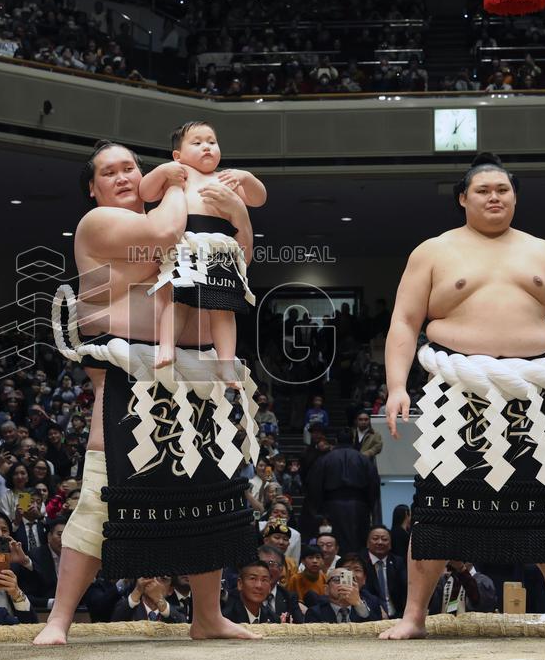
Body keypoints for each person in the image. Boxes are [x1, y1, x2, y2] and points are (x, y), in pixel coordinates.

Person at [382, 153, 545, 640]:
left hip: (535, 391)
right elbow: (404, 321)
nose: (494, 196)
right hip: (456, 389)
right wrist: (398, 385)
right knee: (438, 503)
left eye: (503, 190)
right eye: (484, 190)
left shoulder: (543, 252)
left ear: (515, 197)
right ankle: (414, 616)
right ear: (463, 198)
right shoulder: (433, 252)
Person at [34, 140, 259, 645]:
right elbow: (163, 234)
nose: (122, 177)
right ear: (93, 189)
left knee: (208, 496)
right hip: (128, 374)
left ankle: (208, 617)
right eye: (108, 172)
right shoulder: (103, 225)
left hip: (197, 374)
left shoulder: (180, 215)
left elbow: (235, 262)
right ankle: (58, 619)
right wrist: (180, 181)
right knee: (99, 496)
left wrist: (237, 214)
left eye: (130, 167)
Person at [139, 121, 266, 382]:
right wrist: (164, 170)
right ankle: (166, 345)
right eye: (197, 143)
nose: (206, 147)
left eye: (211, 141)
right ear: (178, 155)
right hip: (188, 240)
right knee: (178, 300)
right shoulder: (179, 173)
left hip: (223, 245)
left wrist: (245, 177)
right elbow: (146, 192)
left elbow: (259, 198)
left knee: (224, 309)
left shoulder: (228, 178)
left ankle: (226, 362)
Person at [303, 430, 380, 551]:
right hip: (358, 506)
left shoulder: (325, 459)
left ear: (336, 441)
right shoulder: (363, 460)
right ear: (353, 441)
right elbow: (374, 486)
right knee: (357, 542)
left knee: (335, 542)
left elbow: (314, 485)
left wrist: (317, 510)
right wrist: (369, 506)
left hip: (332, 506)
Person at [304, 565, 381, 623]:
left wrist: (358, 604)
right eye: (337, 579)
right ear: (326, 589)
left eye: (349, 580)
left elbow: (375, 632)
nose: (343, 584)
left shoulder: (369, 607)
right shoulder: (315, 612)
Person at [428, 560, 497, 615]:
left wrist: (461, 569)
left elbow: (481, 606)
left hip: (469, 630)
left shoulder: (483, 581)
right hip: (443, 629)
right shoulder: (443, 580)